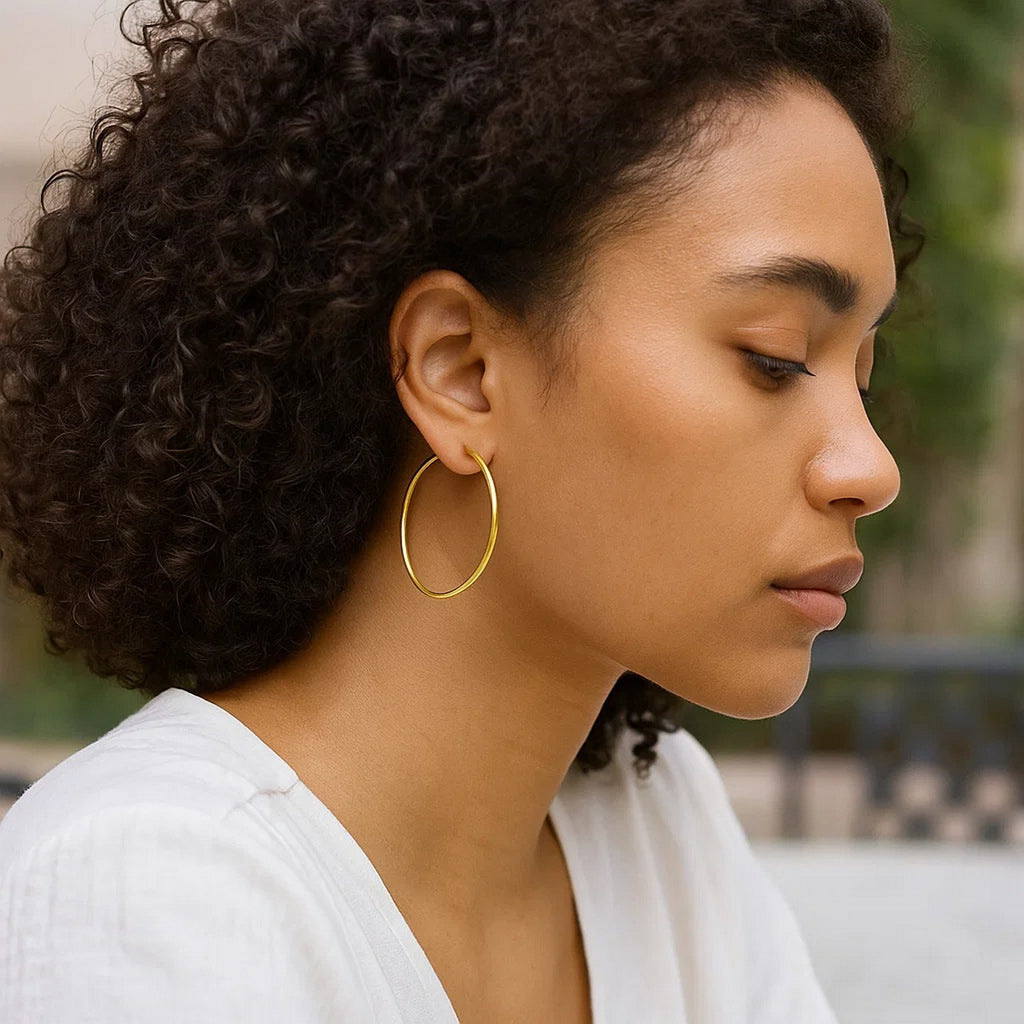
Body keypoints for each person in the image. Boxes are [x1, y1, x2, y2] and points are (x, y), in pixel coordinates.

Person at [0, 0, 923, 1020]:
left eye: (861, 380)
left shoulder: (660, 833)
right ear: (461, 372)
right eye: (774, 357)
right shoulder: (144, 898)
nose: (867, 467)